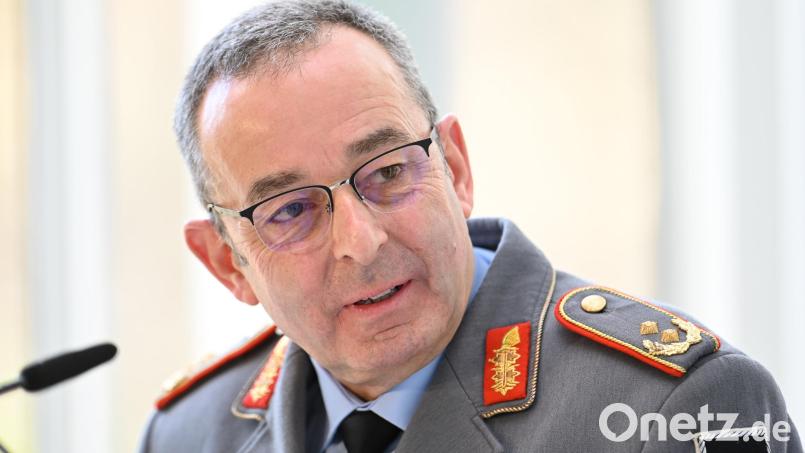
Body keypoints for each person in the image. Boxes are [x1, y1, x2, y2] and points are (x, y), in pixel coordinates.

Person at [138, 1, 802, 452]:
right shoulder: (187, 430)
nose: (360, 243)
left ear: (454, 167)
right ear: (226, 263)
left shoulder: (672, 405)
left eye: (387, 172)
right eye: (289, 211)